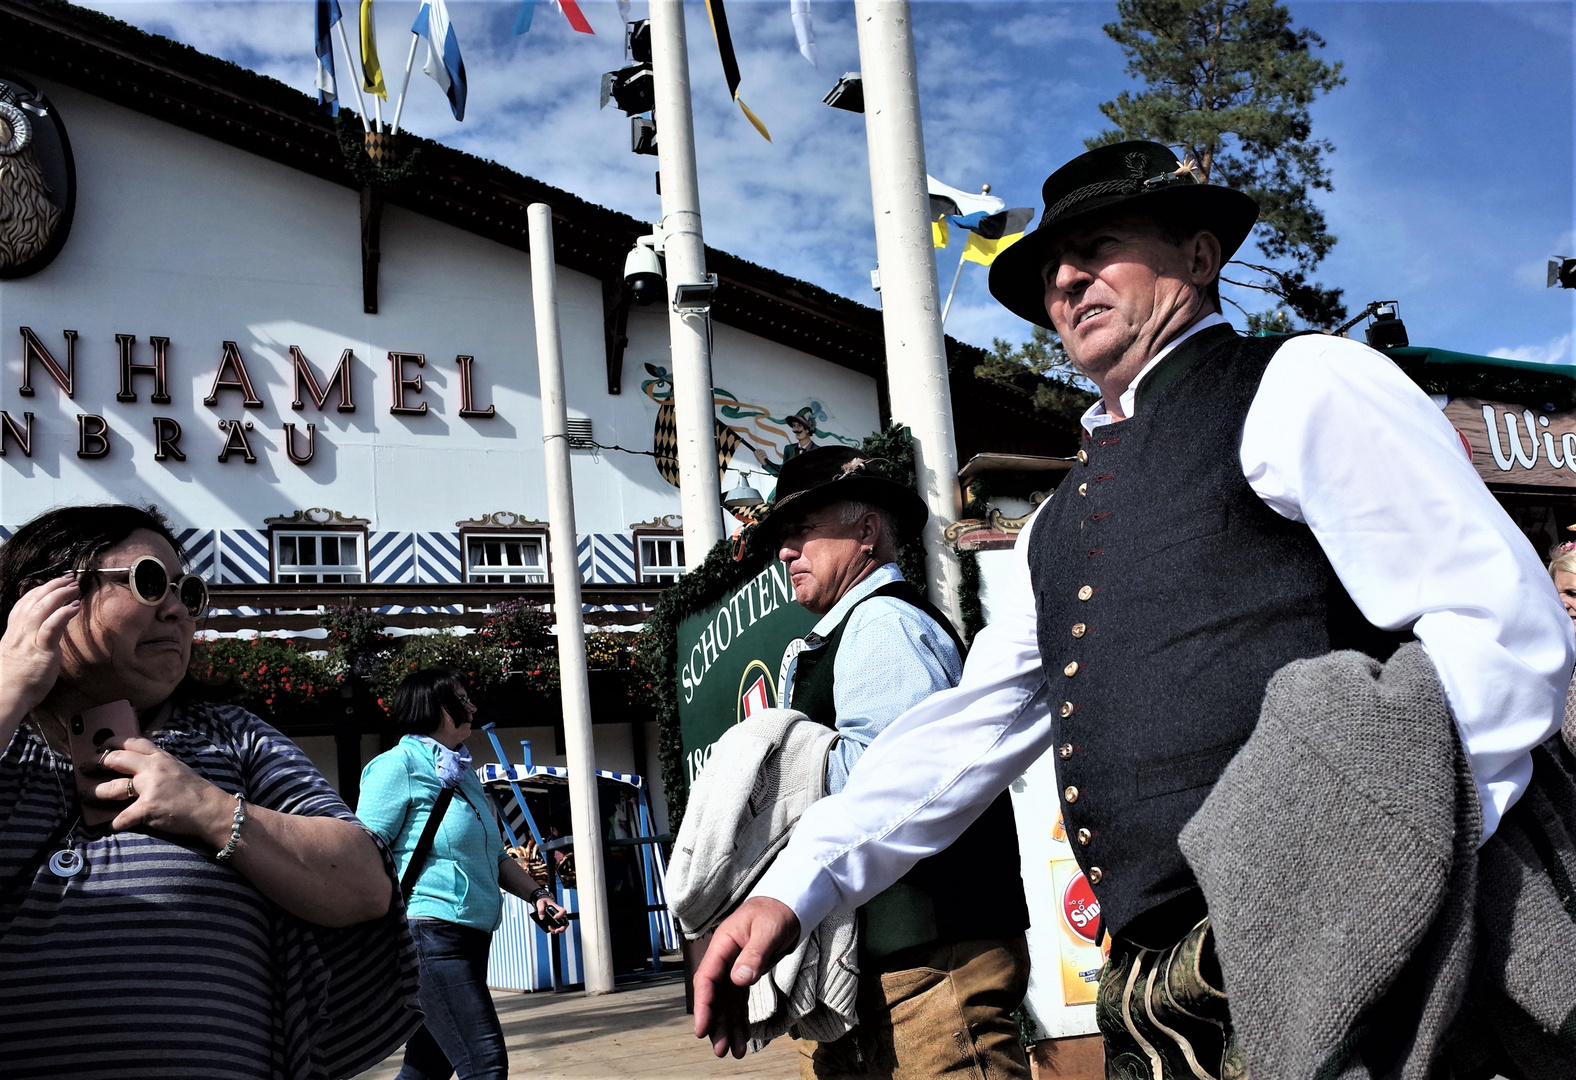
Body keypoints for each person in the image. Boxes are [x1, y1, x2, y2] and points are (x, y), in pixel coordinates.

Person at [693, 141, 1572, 1074]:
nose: (1066, 280)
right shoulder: (1056, 523)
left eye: (1099, 246)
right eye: (1048, 271)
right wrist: (797, 883)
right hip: (1167, 986)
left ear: (1200, 258)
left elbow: (1501, 637)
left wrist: (1365, 878)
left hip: (1359, 957)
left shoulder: (1301, 383)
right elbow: (962, 732)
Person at [0, 503, 418, 1078]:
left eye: (187, 592)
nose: (175, 610)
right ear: (42, 597)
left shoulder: (233, 738)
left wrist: (210, 809)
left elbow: (365, 885)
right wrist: (9, 687)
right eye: (149, 583)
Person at [764, 446, 1030, 1080]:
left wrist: (768, 775)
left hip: (928, 964)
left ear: (865, 531)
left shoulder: (881, 622)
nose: (785, 551)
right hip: (893, 964)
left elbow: (892, 784)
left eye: (803, 530)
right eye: (782, 536)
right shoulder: (857, 626)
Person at [357, 667, 567, 1080]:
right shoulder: (395, 766)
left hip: (470, 936)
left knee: (427, 1067)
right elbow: (364, 851)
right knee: (484, 1064)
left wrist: (537, 895)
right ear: (434, 707)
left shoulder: (464, 773)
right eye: (462, 699)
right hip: (427, 935)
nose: (472, 706)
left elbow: (494, 855)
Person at [755, 410, 819, 476]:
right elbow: (782, 472)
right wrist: (765, 463)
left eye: (799, 426)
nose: (795, 429)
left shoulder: (818, 451)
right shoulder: (789, 449)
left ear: (807, 429)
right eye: (794, 426)